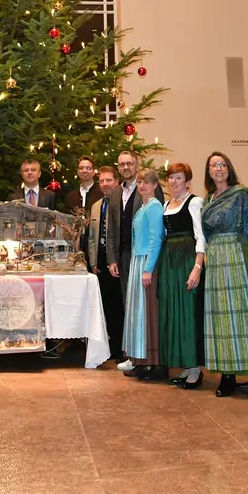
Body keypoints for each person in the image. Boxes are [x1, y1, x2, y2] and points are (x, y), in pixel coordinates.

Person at [199, 152, 248, 397]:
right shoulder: (209, 198)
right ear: (208, 171)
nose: (218, 169)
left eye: (222, 164)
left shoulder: (241, 194)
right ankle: (226, 372)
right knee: (219, 318)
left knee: (241, 315)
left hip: (235, 256)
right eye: (213, 165)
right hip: (215, 259)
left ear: (228, 168)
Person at [158, 163, 207, 388]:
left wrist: (197, 267)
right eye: (171, 178)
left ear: (187, 181)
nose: (174, 182)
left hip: (187, 258)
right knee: (174, 311)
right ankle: (185, 365)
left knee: (188, 311)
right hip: (170, 262)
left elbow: (201, 236)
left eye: (179, 178)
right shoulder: (167, 204)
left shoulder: (194, 202)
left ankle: (195, 368)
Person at [120, 168, 166, 380]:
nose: (142, 186)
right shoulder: (142, 207)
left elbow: (156, 239)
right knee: (137, 311)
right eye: (139, 182)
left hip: (147, 262)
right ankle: (138, 358)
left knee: (146, 312)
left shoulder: (154, 206)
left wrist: (148, 269)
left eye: (147, 182)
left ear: (155, 185)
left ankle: (151, 362)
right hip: (138, 261)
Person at [106, 150, 163, 316]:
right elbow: (111, 229)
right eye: (122, 164)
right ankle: (132, 337)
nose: (126, 167)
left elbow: (156, 228)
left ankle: (146, 340)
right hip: (123, 255)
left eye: (129, 163)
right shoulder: (115, 192)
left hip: (143, 255)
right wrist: (112, 259)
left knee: (145, 303)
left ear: (136, 165)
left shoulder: (148, 190)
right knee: (128, 302)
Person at [85, 166, 124, 358]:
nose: (105, 184)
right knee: (104, 306)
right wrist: (93, 262)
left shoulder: (121, 203)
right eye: (102, 181)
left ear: (116, 182)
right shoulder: (96, 206)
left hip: (116, 261)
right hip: (100, 262)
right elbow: (91, 237)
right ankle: (105, 346)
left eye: (109, 180)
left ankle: (118, 348)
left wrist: (113, 260)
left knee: (118, 306)